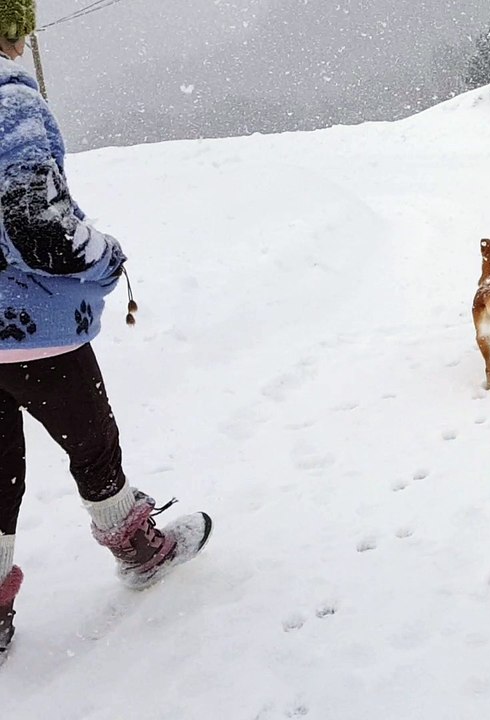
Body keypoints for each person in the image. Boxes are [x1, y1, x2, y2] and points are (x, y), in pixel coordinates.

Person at [0, 0, 212, 667]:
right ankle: (137, 550)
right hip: (31, 330)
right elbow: (43, 231)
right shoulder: (8, 104)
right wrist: (108, 255)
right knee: (94, 448)